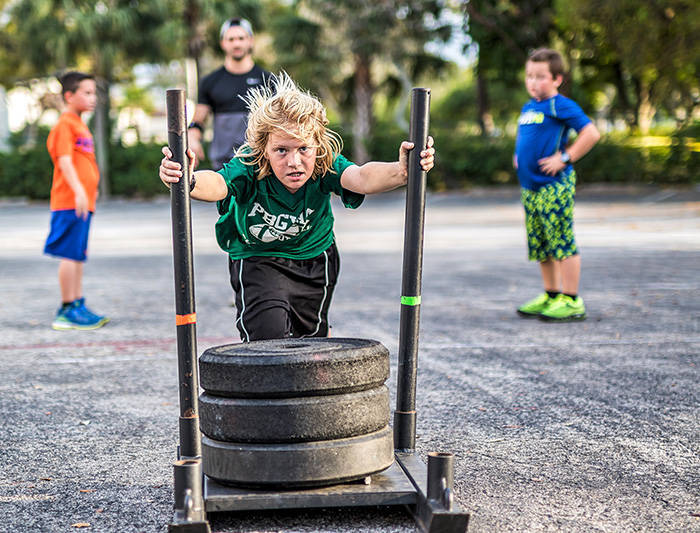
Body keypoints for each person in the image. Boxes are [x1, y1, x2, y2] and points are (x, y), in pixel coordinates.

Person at [159, 73, 435, 341]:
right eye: (282, 150)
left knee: (311, 341)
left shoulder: (325, 164)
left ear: (317, 146)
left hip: (315, 258)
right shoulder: (248, 167)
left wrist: (401, 171)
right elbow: (218, 183)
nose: (294, 161)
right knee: (269, 337)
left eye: (303, 148)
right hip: (258, 258)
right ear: (264, 149)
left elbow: (361, 178)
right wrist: (188, 180)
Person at [514, 48, 600, 321]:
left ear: (557, 79)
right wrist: (519, 156)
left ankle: (571, 300)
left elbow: (591, 133)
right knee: (541, 244)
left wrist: (565, 157)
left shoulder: (559, 104)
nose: (533, 82)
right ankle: (551, 295)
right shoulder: (529, 106)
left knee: (561, 241)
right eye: (529, 76)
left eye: (540, 76)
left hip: (553, 186)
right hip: (531, 188)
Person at [44, 71, 109, 330]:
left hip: (82, 202)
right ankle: (67, 307)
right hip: (69, 201)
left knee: (78, 254)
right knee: (70, 254)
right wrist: (80, 191)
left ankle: (77, 303)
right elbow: (64, 161)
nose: (93, 98)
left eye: (94, 93)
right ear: (69, 96)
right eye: (87, 92)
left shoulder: (80, 124)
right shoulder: (64, 124)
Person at [188, 17, 272, 170]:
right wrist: (192, 138)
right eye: (231, 39)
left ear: (250, 41)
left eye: (241, 38)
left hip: (261, 164)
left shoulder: (267, 80)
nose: (237, 43)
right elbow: (198, 121)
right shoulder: (210, 81)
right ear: (223, 43)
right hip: (224, 166)